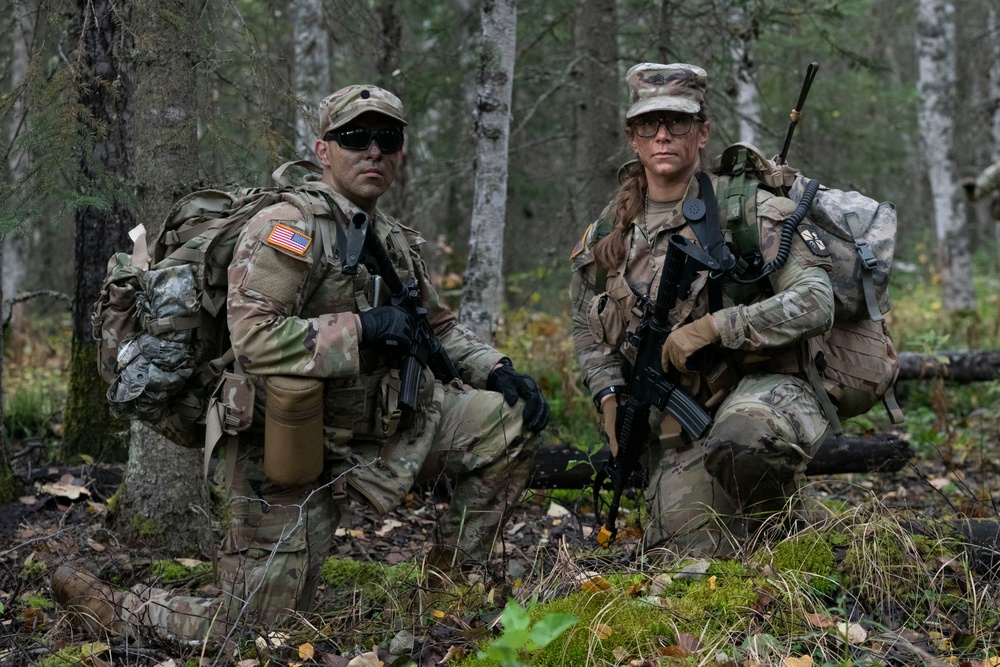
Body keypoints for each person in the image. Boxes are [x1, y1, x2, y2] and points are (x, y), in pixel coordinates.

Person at [52, 84, 549, 645]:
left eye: (387, 139)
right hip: (283, 447)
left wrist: (494, 368)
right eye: (355, 138)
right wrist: (362, 329)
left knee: (507, 421)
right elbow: (254, 337)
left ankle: (450, 589)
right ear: (323, 149)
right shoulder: (290, 229)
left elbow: (436, 327)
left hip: (375, 432)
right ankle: (118, 608)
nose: (373, 152)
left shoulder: (388, 237)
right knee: (258, 632)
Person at [571, 63, 835, 557]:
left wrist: (718, 326)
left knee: (744, 439)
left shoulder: (745, 211)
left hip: (762, 391)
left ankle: (801, 537)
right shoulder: (611, 229)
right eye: (650, 124)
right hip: (681, 420)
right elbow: (584, 323)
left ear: (703, 132)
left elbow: (817, 300)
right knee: (685, 559)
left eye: (679, 122)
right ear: (633, 137)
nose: (664, 135)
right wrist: (608, 391)